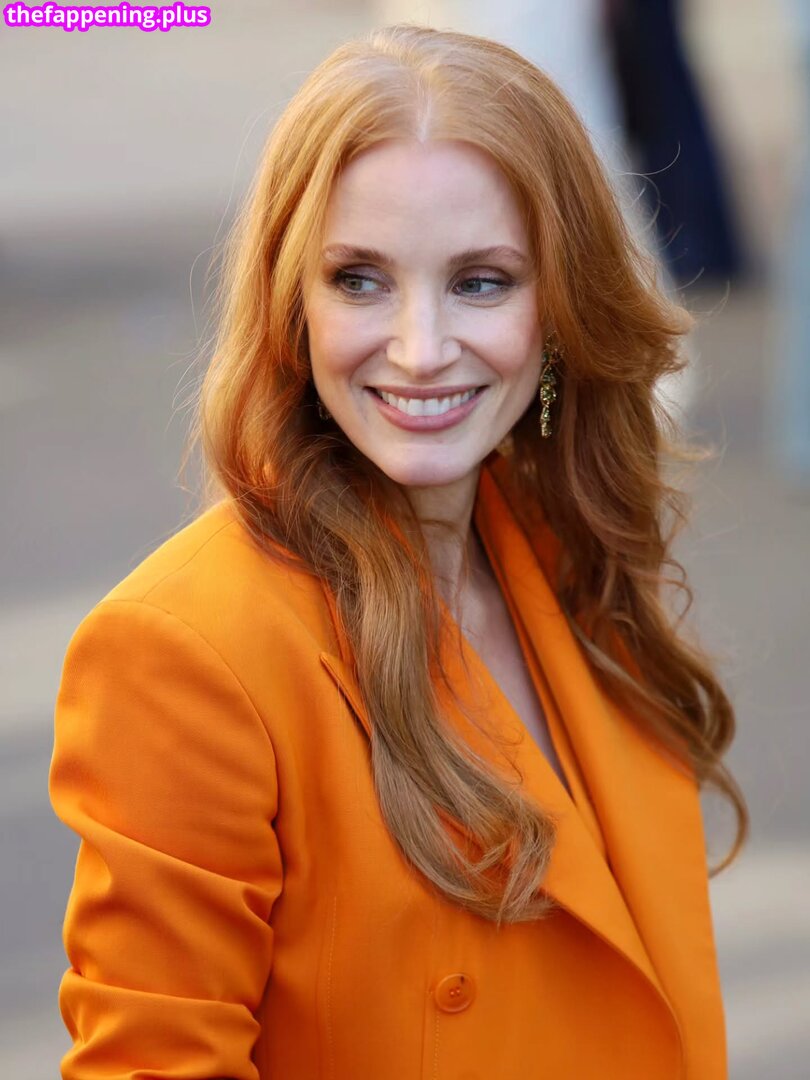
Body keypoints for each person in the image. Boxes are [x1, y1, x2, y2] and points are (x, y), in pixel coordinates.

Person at [49, 23, 748, 1079]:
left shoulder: (571, 552)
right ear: (291, 301)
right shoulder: (185, 653)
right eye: (361, 280)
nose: (420, 351)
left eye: (482, 282)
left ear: (561, 307)